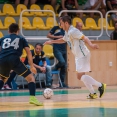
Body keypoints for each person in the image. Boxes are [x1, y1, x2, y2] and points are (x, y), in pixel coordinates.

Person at [44, 16, 106, 99]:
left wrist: (91, 45)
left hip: (83, 55)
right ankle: (93, 93)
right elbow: (64, 40)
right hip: (78, 56)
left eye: (61, 23)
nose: (60, 24)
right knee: (82, 76)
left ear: (66, 23)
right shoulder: (67, 32)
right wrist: (51, 41)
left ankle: (100, 85)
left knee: (79, 76)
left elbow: (85, 37)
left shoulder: (73, 31)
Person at [0, 23, 43, 106]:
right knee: (31, 78)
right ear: (18, 31)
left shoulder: (2, 38)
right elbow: (28, 52)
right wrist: (32, 66)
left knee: (3, 79)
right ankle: (32, 98)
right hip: (14, 59)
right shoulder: (21, 38)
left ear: (9, 31)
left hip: (2, 59)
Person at [47, 17, 67, 88]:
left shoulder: (66, 29)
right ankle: (55, 67)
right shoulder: (55, 28)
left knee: (64, 66)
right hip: (57, 49)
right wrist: (58, 36)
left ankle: (62, 82)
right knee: (62, 62)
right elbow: (48, 35)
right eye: (61, 20)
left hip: (64, 49)